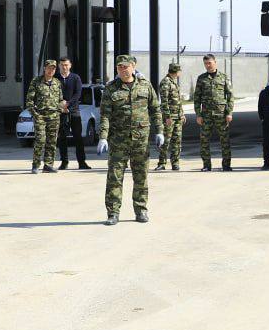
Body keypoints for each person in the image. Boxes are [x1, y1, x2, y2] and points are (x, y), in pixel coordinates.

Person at [98, 55, 163, 225]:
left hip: (140, 141)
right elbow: (105, 115)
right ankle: (113, 213)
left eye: (125, 66)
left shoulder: (145, 85)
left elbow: (155, 109)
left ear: (133, 66)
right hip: (118, 141)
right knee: (115, 177)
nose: (122, 69)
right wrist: (103, 137)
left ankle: (141, 210)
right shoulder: (111, 88)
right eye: (119, 67)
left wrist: (160, 131)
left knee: (141, 176)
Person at [192, 53, 234, 171]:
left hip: (221, 114)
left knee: (224, 140)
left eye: (209, 63)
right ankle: (206, 165)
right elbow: (197, 97)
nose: (208, 65)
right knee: (204, 140)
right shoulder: (201, 79)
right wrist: (198, 114)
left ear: (215, 62)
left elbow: (230, 95)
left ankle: (226, 165)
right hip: (206, 115)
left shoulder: (224, 77)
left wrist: (229, 112)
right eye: (205, 63)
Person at [25, 59, 62, 173]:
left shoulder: (57, 82)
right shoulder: (36, 81)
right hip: (40, 115)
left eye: (53, 68)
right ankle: (35, 165)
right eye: (49, 68)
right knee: (40, 140)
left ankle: (48, 164)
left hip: (54, 116)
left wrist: (59, 110)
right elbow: (29, 101)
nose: (51, 70)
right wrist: (35, 115)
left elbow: (60, 99)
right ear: (44, 68)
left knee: (52, 141)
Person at [54, 58, 91, 170]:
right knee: (62, 138)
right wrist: (61, 105)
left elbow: (78, 94)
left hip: (74, 111)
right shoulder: (56, 78)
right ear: (59, 66)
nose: (64, 67)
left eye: (66, 65)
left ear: (70, 66)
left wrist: (68, 104)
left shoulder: (75, 78)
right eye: (62, 65)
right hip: (61, 111)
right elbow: (53, 93)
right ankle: (64, 162)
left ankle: (82, 162)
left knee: (78, 137)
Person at [155, 62, 184, 171]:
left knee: (177, 141)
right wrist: (167, 117)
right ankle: (162, 163)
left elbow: (178, 101)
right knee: (166, 141)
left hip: (177, 117)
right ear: (177, 71)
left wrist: (182, 114)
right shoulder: (166, 82)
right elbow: (164, 101)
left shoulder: (174, 82)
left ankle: (175, 163)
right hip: (170, 118)